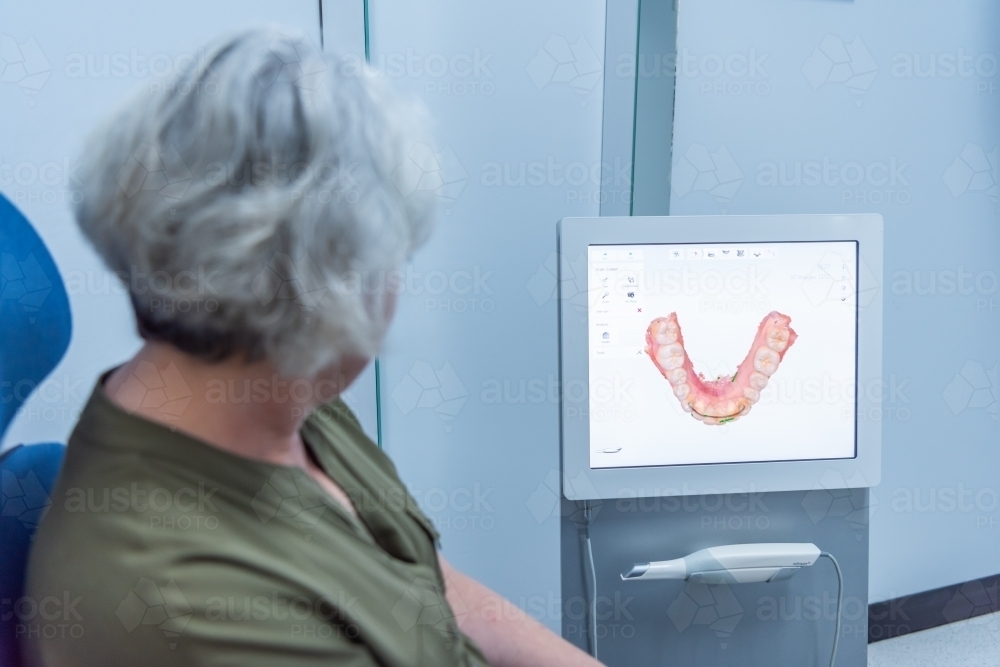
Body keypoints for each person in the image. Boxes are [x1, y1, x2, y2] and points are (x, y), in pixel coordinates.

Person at [24, 28, 602, 667]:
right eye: (394, 259)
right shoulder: (184, 607)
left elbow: (429, 588)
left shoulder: (282, 389)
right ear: (323, 293)